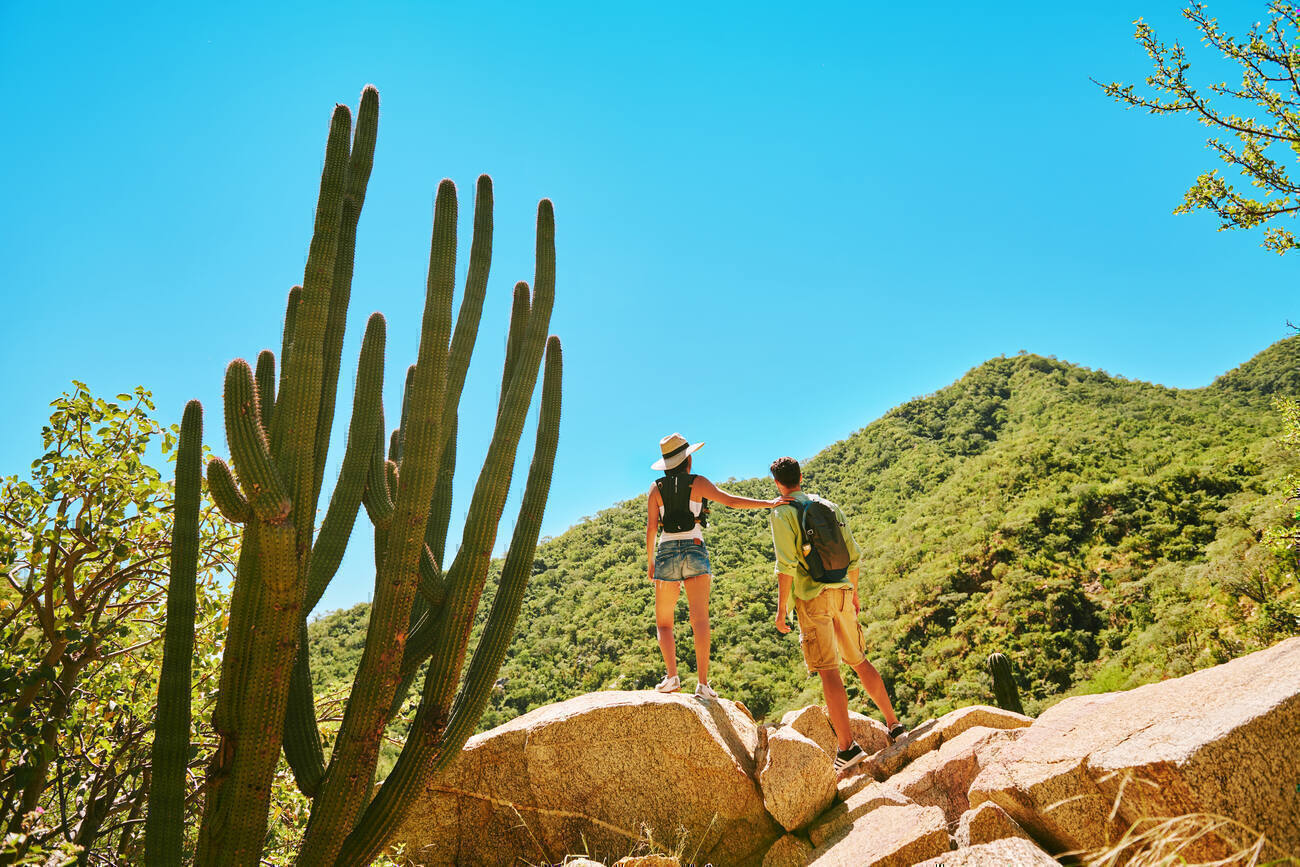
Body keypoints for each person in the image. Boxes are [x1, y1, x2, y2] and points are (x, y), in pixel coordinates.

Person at [767, 455, 905, 774]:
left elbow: (786, 565)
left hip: (813, 596)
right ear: (801, 476)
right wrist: (853, 594)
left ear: (777, 482)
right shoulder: (828, 506)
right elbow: (853, 556)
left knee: (829, 669)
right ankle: (895, 725)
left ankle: (847, 746)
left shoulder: (782, 511)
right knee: (858, 660)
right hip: (842, 590)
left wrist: (781, 611)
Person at [646, 433, 778, 699]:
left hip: (666, 551)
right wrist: (768, 503)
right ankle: (703, 684)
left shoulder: (655, 488)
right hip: (694, 546)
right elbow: (730, 501)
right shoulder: (699, 483)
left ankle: (672, 677)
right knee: (700, 619)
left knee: (664, 623)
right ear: (688, 459)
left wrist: (650, 561)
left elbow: (651, 529)